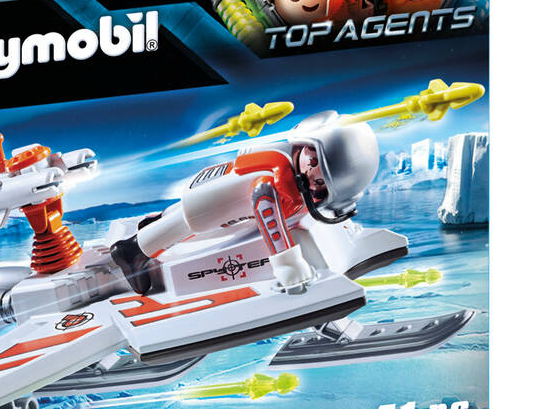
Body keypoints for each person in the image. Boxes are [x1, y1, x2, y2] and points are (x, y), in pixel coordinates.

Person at [110, 112, 379, 294]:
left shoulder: (295, 171)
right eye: (318, 178)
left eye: (321, 185)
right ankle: (131, 251)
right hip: (210, 199)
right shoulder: (271, 183)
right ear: (310, 152)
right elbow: (269, 218)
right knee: (185, 224)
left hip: (229, 205)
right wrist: (288, 265)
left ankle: (152, 225)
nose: (314, 183)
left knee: (192, 226)